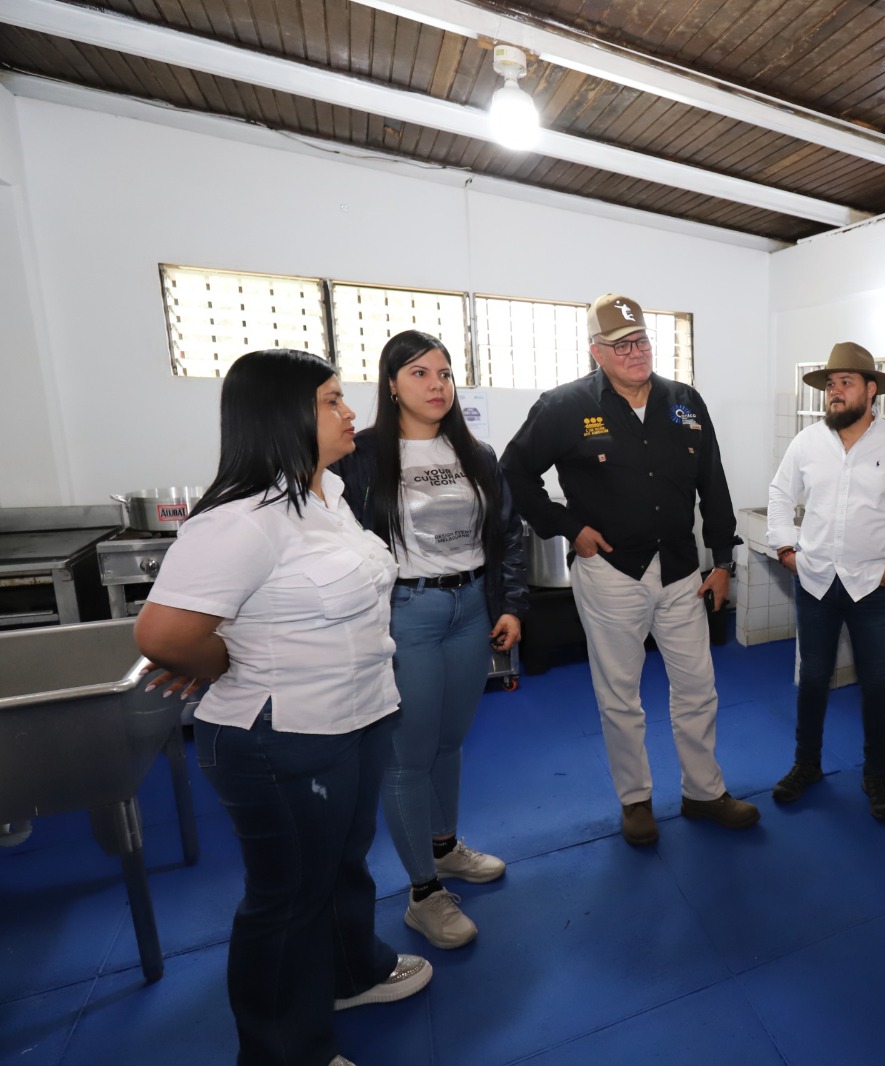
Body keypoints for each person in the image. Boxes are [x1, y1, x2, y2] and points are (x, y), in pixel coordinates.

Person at [135, 349, 429, 1066]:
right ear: (283, 415)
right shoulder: (243, 519)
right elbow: (166, 634)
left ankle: (349, 973)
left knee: (341, 863)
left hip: (357, 717)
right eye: (332, 400)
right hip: (280, 737)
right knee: (288, 895)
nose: (350, 411)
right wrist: (224, 660)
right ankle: (280, 1051)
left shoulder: (327, 493)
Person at [500, 293, 758, 846]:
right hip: (612, 572)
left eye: (640, 340)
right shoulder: (564, 406)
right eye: (619, 345)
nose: (634, 352)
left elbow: (713, 482)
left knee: (698, 687)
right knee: (620, 693)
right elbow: (514, 473)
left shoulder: (684, 401)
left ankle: (703, 792)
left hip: (683, 572)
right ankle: (635, 800)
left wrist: (723, 561)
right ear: (596, 351)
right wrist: (569, 527)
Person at [330, 330, 529, 950]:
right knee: (408, 756)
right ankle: (423, 894)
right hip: (406, 610)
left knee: (450, 740)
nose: (437, 384)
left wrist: (512, 604)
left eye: (444, 373)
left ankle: (444, 849)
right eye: (420, 373)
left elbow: (507, 531)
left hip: (471, 607)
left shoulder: (476, 452)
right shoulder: (359, 456)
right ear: (391, 384)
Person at [766, 342, 885, 821]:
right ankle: (806, 766)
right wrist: (786, 547)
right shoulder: (808, 442)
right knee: (814, 679)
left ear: (870, 390)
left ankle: (876, 776)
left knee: (876, 683)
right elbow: (780, 493)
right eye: (829, 385)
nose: (834, 392)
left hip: (873, 588)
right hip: (817, 580)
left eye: (845, 383)